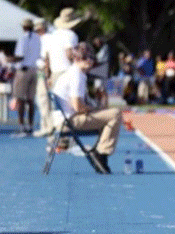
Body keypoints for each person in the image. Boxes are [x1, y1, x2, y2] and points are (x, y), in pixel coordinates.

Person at [52, 43, 123, 174]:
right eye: (84, 57)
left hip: (66, 119)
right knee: (116, 114)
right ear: (76, 59)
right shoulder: (76, 75)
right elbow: (78, 106)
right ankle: (101, 154)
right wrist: (94, 109)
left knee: (107, 114)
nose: (89, 60)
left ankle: (100, 152)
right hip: (69, 121)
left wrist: (96, 107)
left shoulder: (74, 73)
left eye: (91, 57)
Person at [11, 18, 41, 136]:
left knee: (20, 99)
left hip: (23, 70)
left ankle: (22, 126)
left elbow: (20, 56)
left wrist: (10, 59)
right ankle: (30, 125)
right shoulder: (37, 38)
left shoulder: (23, 38)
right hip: (34, 69)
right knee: (31, 99)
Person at [32, 19, 55, 136]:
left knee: (43, 99)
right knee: (44, 100)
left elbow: (46, 58)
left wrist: (46, 73)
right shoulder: (49, 38)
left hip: (43, 72)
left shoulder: (45, 39)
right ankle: (47, 124)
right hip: (43, 71)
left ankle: (47, 126)